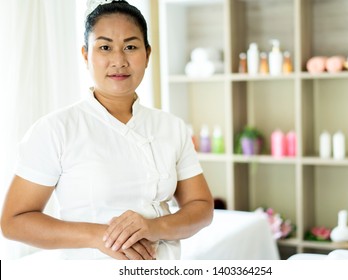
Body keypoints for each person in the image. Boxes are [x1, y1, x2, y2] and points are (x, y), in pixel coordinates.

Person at [1, 0, 214, 260]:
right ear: (85, 55)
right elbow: (14, 221)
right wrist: (101, 236)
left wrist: (154, 228)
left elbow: (201, 208)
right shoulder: (56, 129)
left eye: (131, 47)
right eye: (104, 47)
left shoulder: (171, 127)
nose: (119, 60)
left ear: (147, 54)